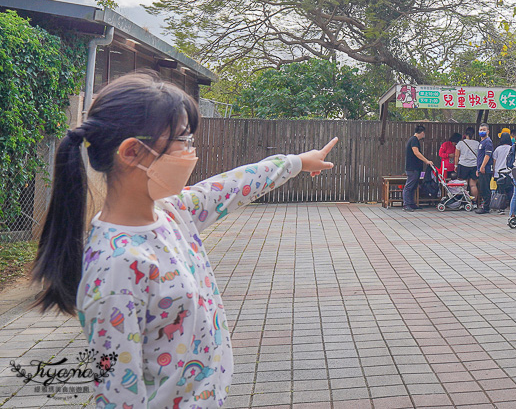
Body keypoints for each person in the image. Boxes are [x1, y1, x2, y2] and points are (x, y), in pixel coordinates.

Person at [31, 72, 338, 408]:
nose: (190, 152)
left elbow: (229, 186)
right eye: (182, 140)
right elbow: (117, 395)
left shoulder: (171, 212)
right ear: (132, 151)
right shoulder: (116, 266)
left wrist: (295, 163)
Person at [404, 125, 434, 211]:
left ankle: (411, 203)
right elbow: (416, 152)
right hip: (412, 168)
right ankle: (406, 204)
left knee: (414, 186)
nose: (424, 135)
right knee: (409, 186)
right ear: (422, 133)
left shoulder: (414, 140)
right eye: (424, 133)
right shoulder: (414, 140)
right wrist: (426, 161)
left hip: (416, 168)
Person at [475, 124, 494, 214]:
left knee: (485, 188)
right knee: (482, 187)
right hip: (481, 168)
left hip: (485, 169)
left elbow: (487, 155)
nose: (482, 131)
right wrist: (478, 168)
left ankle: (486, 207)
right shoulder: (481, 142)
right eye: (480, 129)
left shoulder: (488, 142)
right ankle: (483, 205)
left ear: (488, 131)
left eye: (484, 129)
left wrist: (482, 166)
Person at [457, 127, 480, 201]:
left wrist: (455, 165)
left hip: (463, 165)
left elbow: (456, 155)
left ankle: (464, 201)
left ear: (465, 134)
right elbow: (479, 155)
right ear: (473, 135)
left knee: (464, 185)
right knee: (473, 185)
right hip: (474, 166)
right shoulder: (477, 143)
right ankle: (474, 202)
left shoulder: (460, 143)